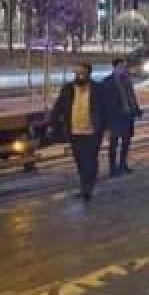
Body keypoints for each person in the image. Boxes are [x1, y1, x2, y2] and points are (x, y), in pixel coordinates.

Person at [50, 62, 109, 202]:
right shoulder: (68, 89)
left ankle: (88, 186)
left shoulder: (99, 88)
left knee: (90, 159)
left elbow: (106, 109)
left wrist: (107, 127)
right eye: (77, 73)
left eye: (82, 73)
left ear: (89, 73)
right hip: (74, 131)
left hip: (93, 131)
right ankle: (84, 185)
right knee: (80, 160)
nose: (79, 76)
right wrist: (52, 123)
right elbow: (58, 107)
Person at [103, 58, 142, 176]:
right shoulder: (107, 81)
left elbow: (132, 97)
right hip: (115, 117)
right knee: (114, 143)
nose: (123, 69)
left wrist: (136, 109)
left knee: (126, 142)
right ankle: (112, 168)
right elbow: (105, 103)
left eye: (124, 67)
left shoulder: (127, 80)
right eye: (120, 66)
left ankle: (123, 164)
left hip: (128, 115)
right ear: (114, 67)